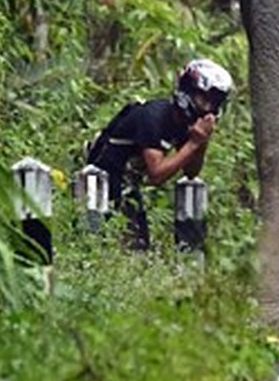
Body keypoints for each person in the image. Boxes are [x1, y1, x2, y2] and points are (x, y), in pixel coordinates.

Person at [84, 58, 233, 251]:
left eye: (213, 103)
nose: (207, 108)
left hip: (126, 187)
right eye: (203, 99)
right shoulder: (154, 117)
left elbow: (191, 172)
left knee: (138, 250)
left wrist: (200, 141)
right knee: (99, 247)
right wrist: (193, 143)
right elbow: (156, 175)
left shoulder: (181, 124)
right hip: (100, 185)